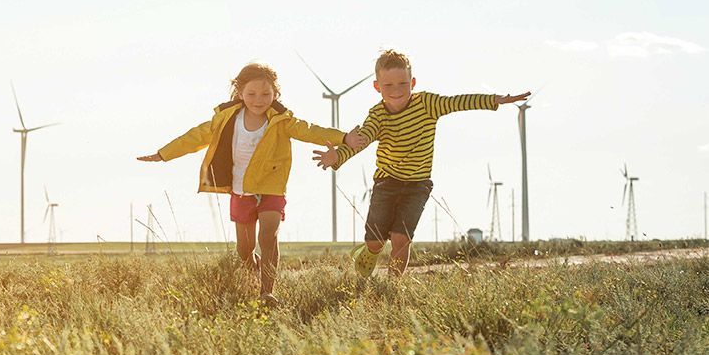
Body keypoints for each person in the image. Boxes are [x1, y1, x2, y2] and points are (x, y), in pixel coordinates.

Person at [139, 62, 366, 301]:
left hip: (271, 189)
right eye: (252, 94)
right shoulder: (226, 119)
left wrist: (343, 138)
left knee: (268, 237)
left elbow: (311, 131)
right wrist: (164, 154)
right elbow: (194, 136)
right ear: (240, 94)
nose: (259, 100)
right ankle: (254, 270)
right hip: (241, 191)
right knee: (244, 250)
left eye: (266, 94)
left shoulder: (282, 121)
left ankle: (267, 291)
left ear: (275, 94)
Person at [313, 48, 530, 277]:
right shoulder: (378, 114)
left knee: (401, 238)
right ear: (377, 87)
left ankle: (394, 284)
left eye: (402, 83)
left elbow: (459, 102)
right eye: (388, 86)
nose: (396, 91)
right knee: (375, 241)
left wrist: (494, 100)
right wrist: (338, 156)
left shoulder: (427, 104)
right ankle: (370, 250)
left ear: (413, 82)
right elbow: (362, 140)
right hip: (386, 182)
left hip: (417, 185)